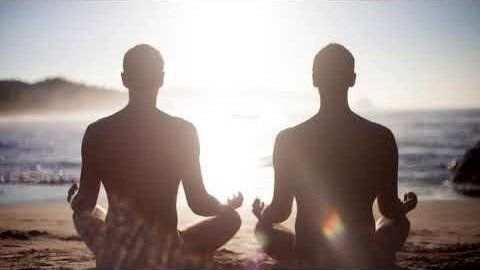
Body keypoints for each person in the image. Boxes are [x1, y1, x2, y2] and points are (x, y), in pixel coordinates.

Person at [67, 44, 242, 269]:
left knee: (81, 216)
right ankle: (180, 241)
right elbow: (199, 203)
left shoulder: (97, 131)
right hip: (165, 254)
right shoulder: (183, 131)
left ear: (124, 79)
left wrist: (75, 202)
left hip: (116, 252)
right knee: (232, 219)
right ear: (161, 78)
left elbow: (86, 204)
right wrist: (225, 207)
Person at [252, 43, 417, 268]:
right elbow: (388, 208)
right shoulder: (381, 136)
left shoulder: (288, 139)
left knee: (263, 228)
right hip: (363, 254)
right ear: (352, 79)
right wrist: (406, 206)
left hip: (309, 253)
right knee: (399, 222)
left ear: (314, 79)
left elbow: (281, 211)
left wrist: (263, 214)